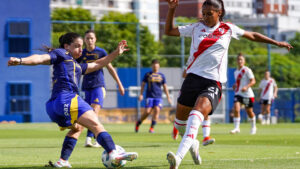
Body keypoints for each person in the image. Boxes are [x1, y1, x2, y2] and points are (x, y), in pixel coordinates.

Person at [164, 0, 292, 168]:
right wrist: (172, 10)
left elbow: (252, 35)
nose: (206, 16)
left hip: (212, 83)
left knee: (196, 115)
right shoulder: (195, 27)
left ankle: (178, 159)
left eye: (210, 13)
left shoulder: (228, 29)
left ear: (219, 13)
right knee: (180, 125)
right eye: (204, 13)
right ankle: (193, 145)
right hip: (191, 80)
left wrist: (276, 43)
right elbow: (169, 31)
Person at [7, 32, 138, 168]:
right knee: (96, 124)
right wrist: (21, 61)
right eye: (77, 46)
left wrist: (116, 53)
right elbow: (40, 58)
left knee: (77, 128)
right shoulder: (61, 53)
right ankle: (113, 153)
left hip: (53, 107)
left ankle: (62, 161)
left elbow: (98, 64)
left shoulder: (77, 66)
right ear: (67, 46)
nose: (81, 50)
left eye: (81, 47)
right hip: (67, 99)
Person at [77, 30, 125, 147]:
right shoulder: (81, 54)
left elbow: (110, 68)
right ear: (84, 40)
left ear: (95, 39)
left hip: (98, 86)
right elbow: (75, 70)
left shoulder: (101, 52)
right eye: (87, 38)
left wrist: (119, 84)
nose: (89, 40)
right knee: (86, 113)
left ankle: (89, 138)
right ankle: (91, 138)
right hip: (85, 87)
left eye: (92, 38)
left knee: (94, 111)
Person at [172, 69, 215, 146]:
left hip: (203, 89)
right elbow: (184, 74)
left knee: (205, 112)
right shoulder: (195, 60)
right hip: (191, 88)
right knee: (185, 112)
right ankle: (177, 127)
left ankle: (206, 137)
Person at [135, 59, 172, 133]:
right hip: (150, 96)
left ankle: (152, 128)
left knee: (157, 110)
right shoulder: (148, 75)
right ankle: (138, 123)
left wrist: (168, 97)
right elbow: (143, 85)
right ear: (152, 66)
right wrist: (141, 94)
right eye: (154, 66)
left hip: (158, 97)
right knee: (147, 112)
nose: (155, 67)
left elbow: (165, 87)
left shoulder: (161, 76)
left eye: (157, 66)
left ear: (159, 66)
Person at [230, 53, 257, 135]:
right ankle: (236, 128)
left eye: (241, 59)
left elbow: (253, 81)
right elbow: (238, 82)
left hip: (247, 95)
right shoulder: (236, 72)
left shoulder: (247, 70)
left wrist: (246, 87)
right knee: (236, 109)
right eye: (238, 59)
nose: (239, 61)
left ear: (244, 61)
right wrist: (235, 85)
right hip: (238, 93)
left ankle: (253, 127)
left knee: (249, 112)